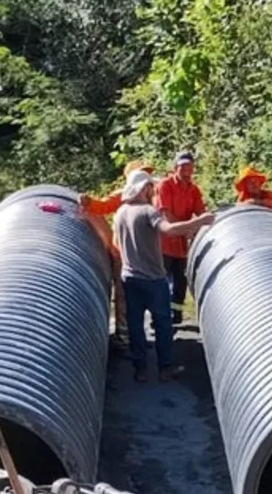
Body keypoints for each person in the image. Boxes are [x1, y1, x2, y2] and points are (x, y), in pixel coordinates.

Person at [114, 169, 214, 382]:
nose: (153, 190)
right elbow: (168, 229)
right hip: (153, 279)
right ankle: (165, 367)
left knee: (135, 324)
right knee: (162, 324)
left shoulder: (120, 212)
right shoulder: (147, 211)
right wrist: (199, 221)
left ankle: (140, 369)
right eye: (151, 186)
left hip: (129, 277)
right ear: (144, 188)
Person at [78, 160, 155, 352]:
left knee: (140, 295)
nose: (146, 177)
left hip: (143, 253)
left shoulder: (152, 196)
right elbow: (103, 206)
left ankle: (136, 334)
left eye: (147, 173)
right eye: (142, 172)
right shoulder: (122, 195)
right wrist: (88, 202)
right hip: (123, 253)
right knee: (124, 294)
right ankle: (123, 336)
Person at [155, 152, 206, 325]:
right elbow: (166, 215)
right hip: (164, 242)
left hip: (182, 246)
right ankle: (159, 316)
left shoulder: (194, 189)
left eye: (189, 166)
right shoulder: (165, 185)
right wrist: (190, 227)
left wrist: (199, 226)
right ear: (175, 167)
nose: (186, 170)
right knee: (161, 281)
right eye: (182, 166)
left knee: (180, 283)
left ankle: (175, 316)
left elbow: (201, 214)